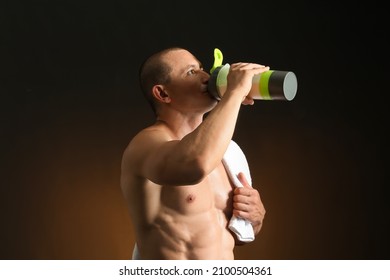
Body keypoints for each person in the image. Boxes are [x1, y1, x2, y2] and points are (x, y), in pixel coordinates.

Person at [120, 47, 267, 260]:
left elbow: (234, 235)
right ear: (163, 93)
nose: (206, 77)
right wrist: (235, 93)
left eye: (201, 68)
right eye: (191, 72)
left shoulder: (228, 152)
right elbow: (195, 165)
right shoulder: (145, 145)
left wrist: (255, 218)